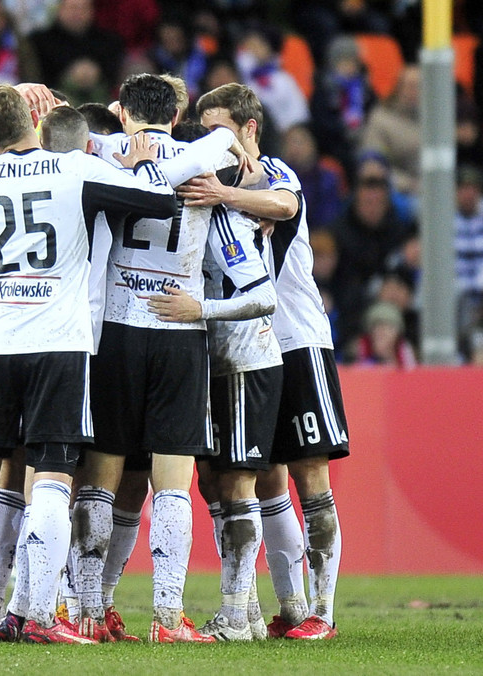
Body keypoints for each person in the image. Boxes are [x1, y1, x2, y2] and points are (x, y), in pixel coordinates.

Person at [0, 85, 177, 644]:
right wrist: (144, 164)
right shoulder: (74, 170)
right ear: (36, 120)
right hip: (57, 342)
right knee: (54, 474)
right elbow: (159, 203)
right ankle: (35, 615)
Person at [74, 72, 249, 644]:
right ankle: (168, 618)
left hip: (116, 328)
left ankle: (88, 612)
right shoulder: (203, 160)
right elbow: (226, 147)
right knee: (172, 481)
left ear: (123, 111)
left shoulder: (98, 154)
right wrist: (234, 148)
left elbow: (69, 138)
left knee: (101, 476)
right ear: (176, 115)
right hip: (179, 326)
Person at [187, 82, 351, 640]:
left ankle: (323, 616)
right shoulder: (212, 188)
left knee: (310, 475)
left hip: (296, 340)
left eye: (218, 129)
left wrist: (225, 198)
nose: (209, 141)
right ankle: (287, 607)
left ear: (249, 128)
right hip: (240, 351)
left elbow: (285, 205)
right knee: (254, 479)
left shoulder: (274, 173)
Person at [151, 122, 281, 641]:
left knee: (238, 483)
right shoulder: (196, 217)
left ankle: (235, 610)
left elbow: (262, 294)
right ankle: (245, 611)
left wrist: (197, 309)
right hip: (212, 363)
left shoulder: (227, 221)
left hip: (247, 361)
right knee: (212, 485)